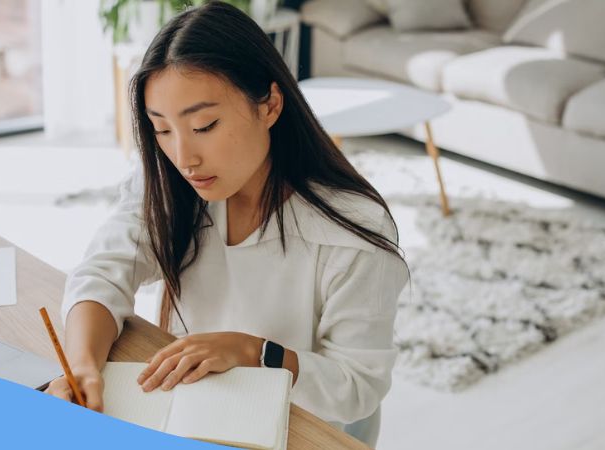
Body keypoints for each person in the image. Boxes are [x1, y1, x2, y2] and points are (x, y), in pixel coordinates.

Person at [44, 1, 409, 446]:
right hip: (200, 404)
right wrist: (82, 366)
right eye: (162, 130)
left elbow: (357, 389)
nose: (183, 158)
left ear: (270, 105)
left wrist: (254, 352)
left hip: (306, 427)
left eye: (205, 125)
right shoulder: (168, 184)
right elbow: (101, 272)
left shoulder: (351, 233)